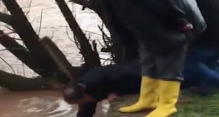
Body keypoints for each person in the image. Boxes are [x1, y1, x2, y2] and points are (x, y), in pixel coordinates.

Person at [67, 0, 207, 117]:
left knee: (168, 67)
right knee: (148, 65)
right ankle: (148, 99)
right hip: (147, 31)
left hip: (168, 28)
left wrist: (179, 21)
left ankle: (167, 105)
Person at [63, 55, 219, 117]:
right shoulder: (82, 90)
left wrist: (116, 92)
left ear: (82, 96)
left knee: (183, 78)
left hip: (137, 73)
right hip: (132, 75)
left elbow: (129, 78)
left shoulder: (96, 82)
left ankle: (212, 77)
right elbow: (85, 110)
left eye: (76, 103)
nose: (79, 106)